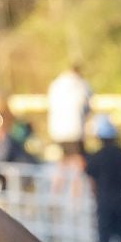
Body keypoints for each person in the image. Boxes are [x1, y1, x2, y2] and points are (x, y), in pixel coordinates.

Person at [47, 64, 92, 194]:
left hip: (57, 131)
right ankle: (75, 198)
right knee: (78, 165)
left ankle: (54, 195)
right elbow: (87, 106)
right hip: (74, 130)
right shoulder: (81, 85)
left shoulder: (56, 84)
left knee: (63, 163)